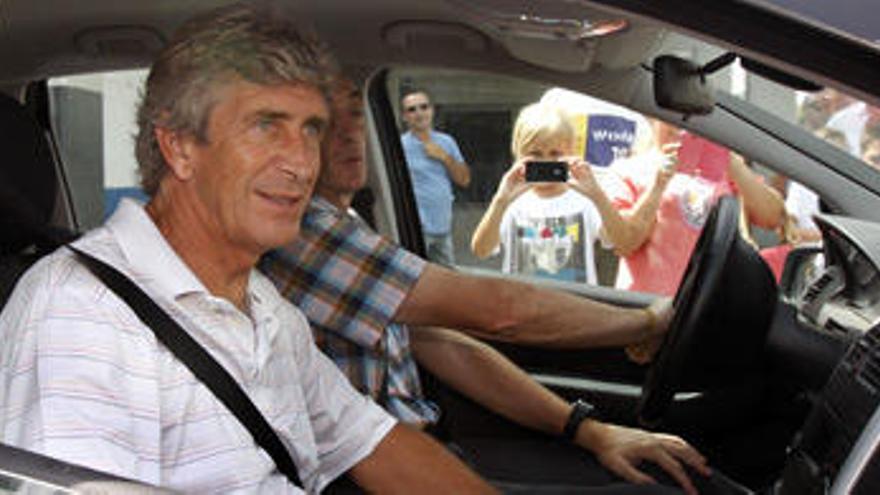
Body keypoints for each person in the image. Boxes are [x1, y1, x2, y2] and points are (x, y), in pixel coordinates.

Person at [0, 5, 493, 493]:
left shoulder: (268, 308)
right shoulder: (79, 313)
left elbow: (369, 440)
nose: (302, 164)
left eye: (311, 130)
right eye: (265, 126)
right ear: (179, 147)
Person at [261, 77, 711, 494]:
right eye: (324, 125)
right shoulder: (305, 231)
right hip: (372, 474)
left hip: (418, 447)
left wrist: (589, 431)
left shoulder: (350, 224)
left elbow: (445, 346)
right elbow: (502, 311)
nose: (348, 135)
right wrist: (648, 323)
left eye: (356, 115)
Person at [469, 102, 668, 284]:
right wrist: (500, 201)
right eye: (535, 154)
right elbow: (481, 250)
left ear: (571, 153)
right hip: (522, 309)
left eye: (556, 154)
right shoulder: (512, 200)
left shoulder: (584, 198)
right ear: (518, 154)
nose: (546, 161)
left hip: (573, 308)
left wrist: (597, 196)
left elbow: (621, 241)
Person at [610, 121, 785, 296]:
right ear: (654, 117)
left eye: (693, 118)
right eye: (674, 116)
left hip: (709, 306)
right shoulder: (629, 170)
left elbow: (773, 218)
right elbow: (624, 243)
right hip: (647, 305)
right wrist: (659, 185)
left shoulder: (723, 168)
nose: (684, 125)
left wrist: (727, 157)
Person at [400, 88, 471, 265]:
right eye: (412, 109)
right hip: (416, 229)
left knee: (447, 280)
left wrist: (444, 157)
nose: (419, 113)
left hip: (443, 227)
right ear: (404, 117)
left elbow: (464, 180)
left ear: (432, 111)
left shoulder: (446, 142)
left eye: (423, 107)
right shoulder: (399, 146)